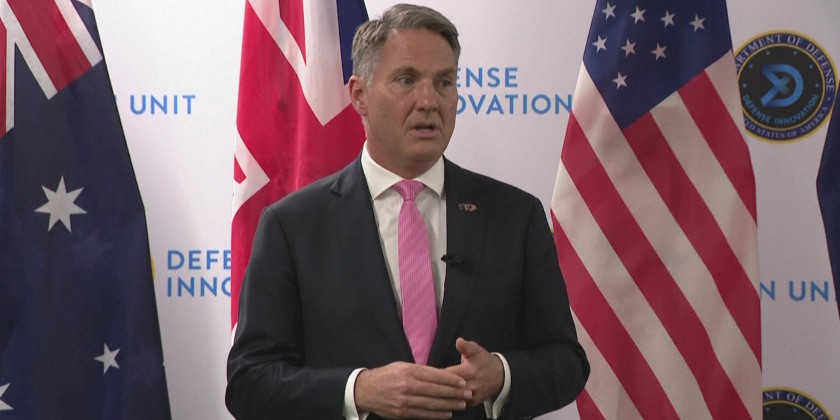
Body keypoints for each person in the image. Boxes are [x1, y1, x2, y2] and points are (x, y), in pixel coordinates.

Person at [226, 4, 589, 419]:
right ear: (359, 95)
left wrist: (502, 375)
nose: (429, 101)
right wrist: (358, 390)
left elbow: (566, 362)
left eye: (444, 82)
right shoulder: (293, 226)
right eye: (406, 80)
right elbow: (249, 382)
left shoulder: (515, 217)